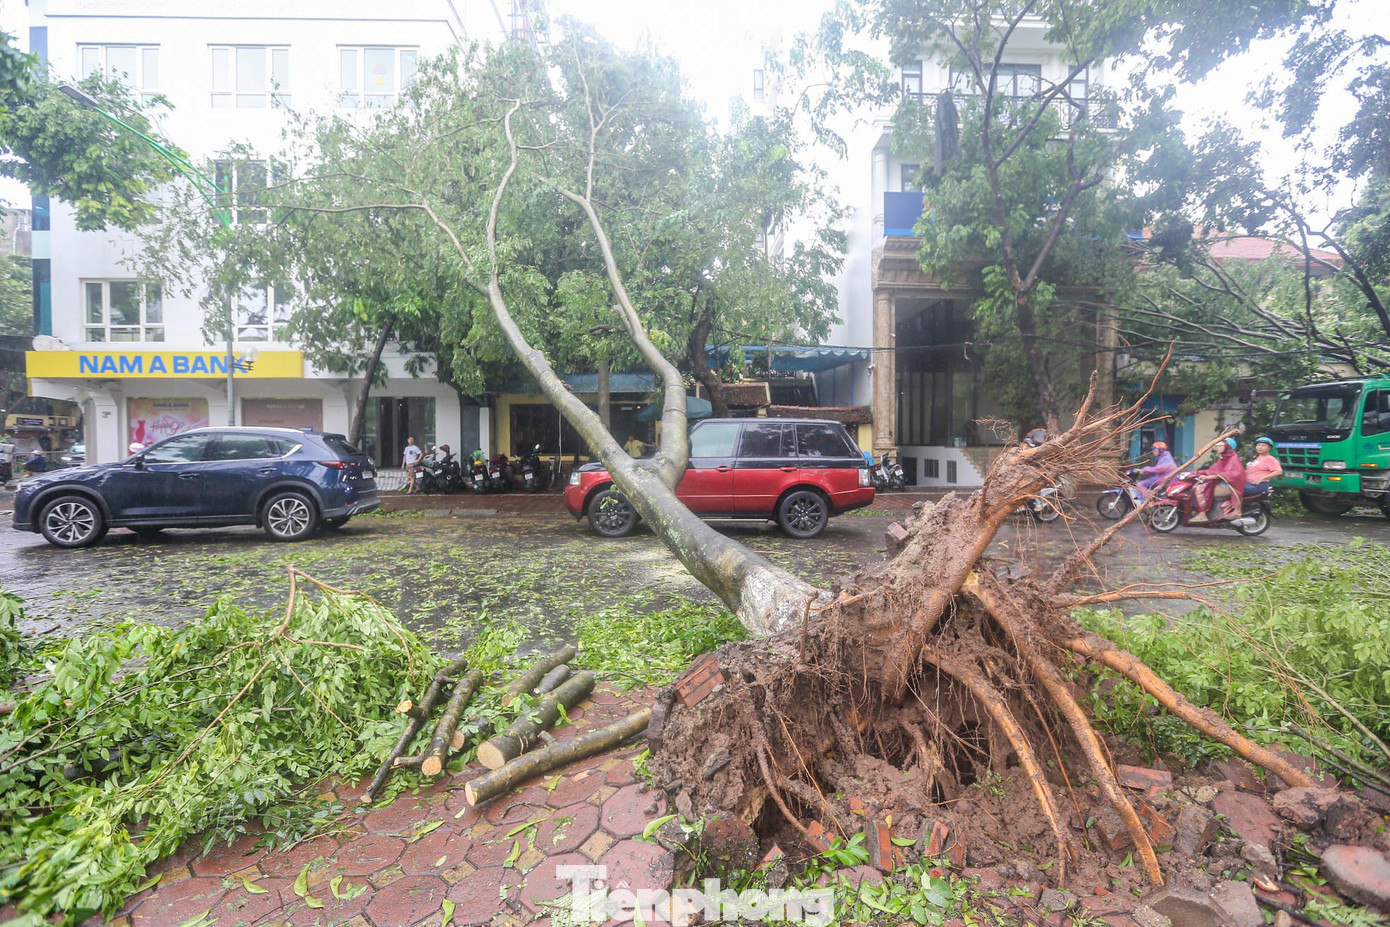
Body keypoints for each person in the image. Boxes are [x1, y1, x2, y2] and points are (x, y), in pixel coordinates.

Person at [1190, 437, 1246, 523]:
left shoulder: (1233, 459)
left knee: (1202, 490)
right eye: (1217, 445)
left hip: (1230, 486)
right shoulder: (1224, 458)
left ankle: (1202, 514)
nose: (1218, 447)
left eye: (1220, 445)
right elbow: (1213, 470)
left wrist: (1208, 477)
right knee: (1198, 486)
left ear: (1227, 447)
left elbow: (1230, 474)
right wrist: (1198, 473)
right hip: (1222, 483)